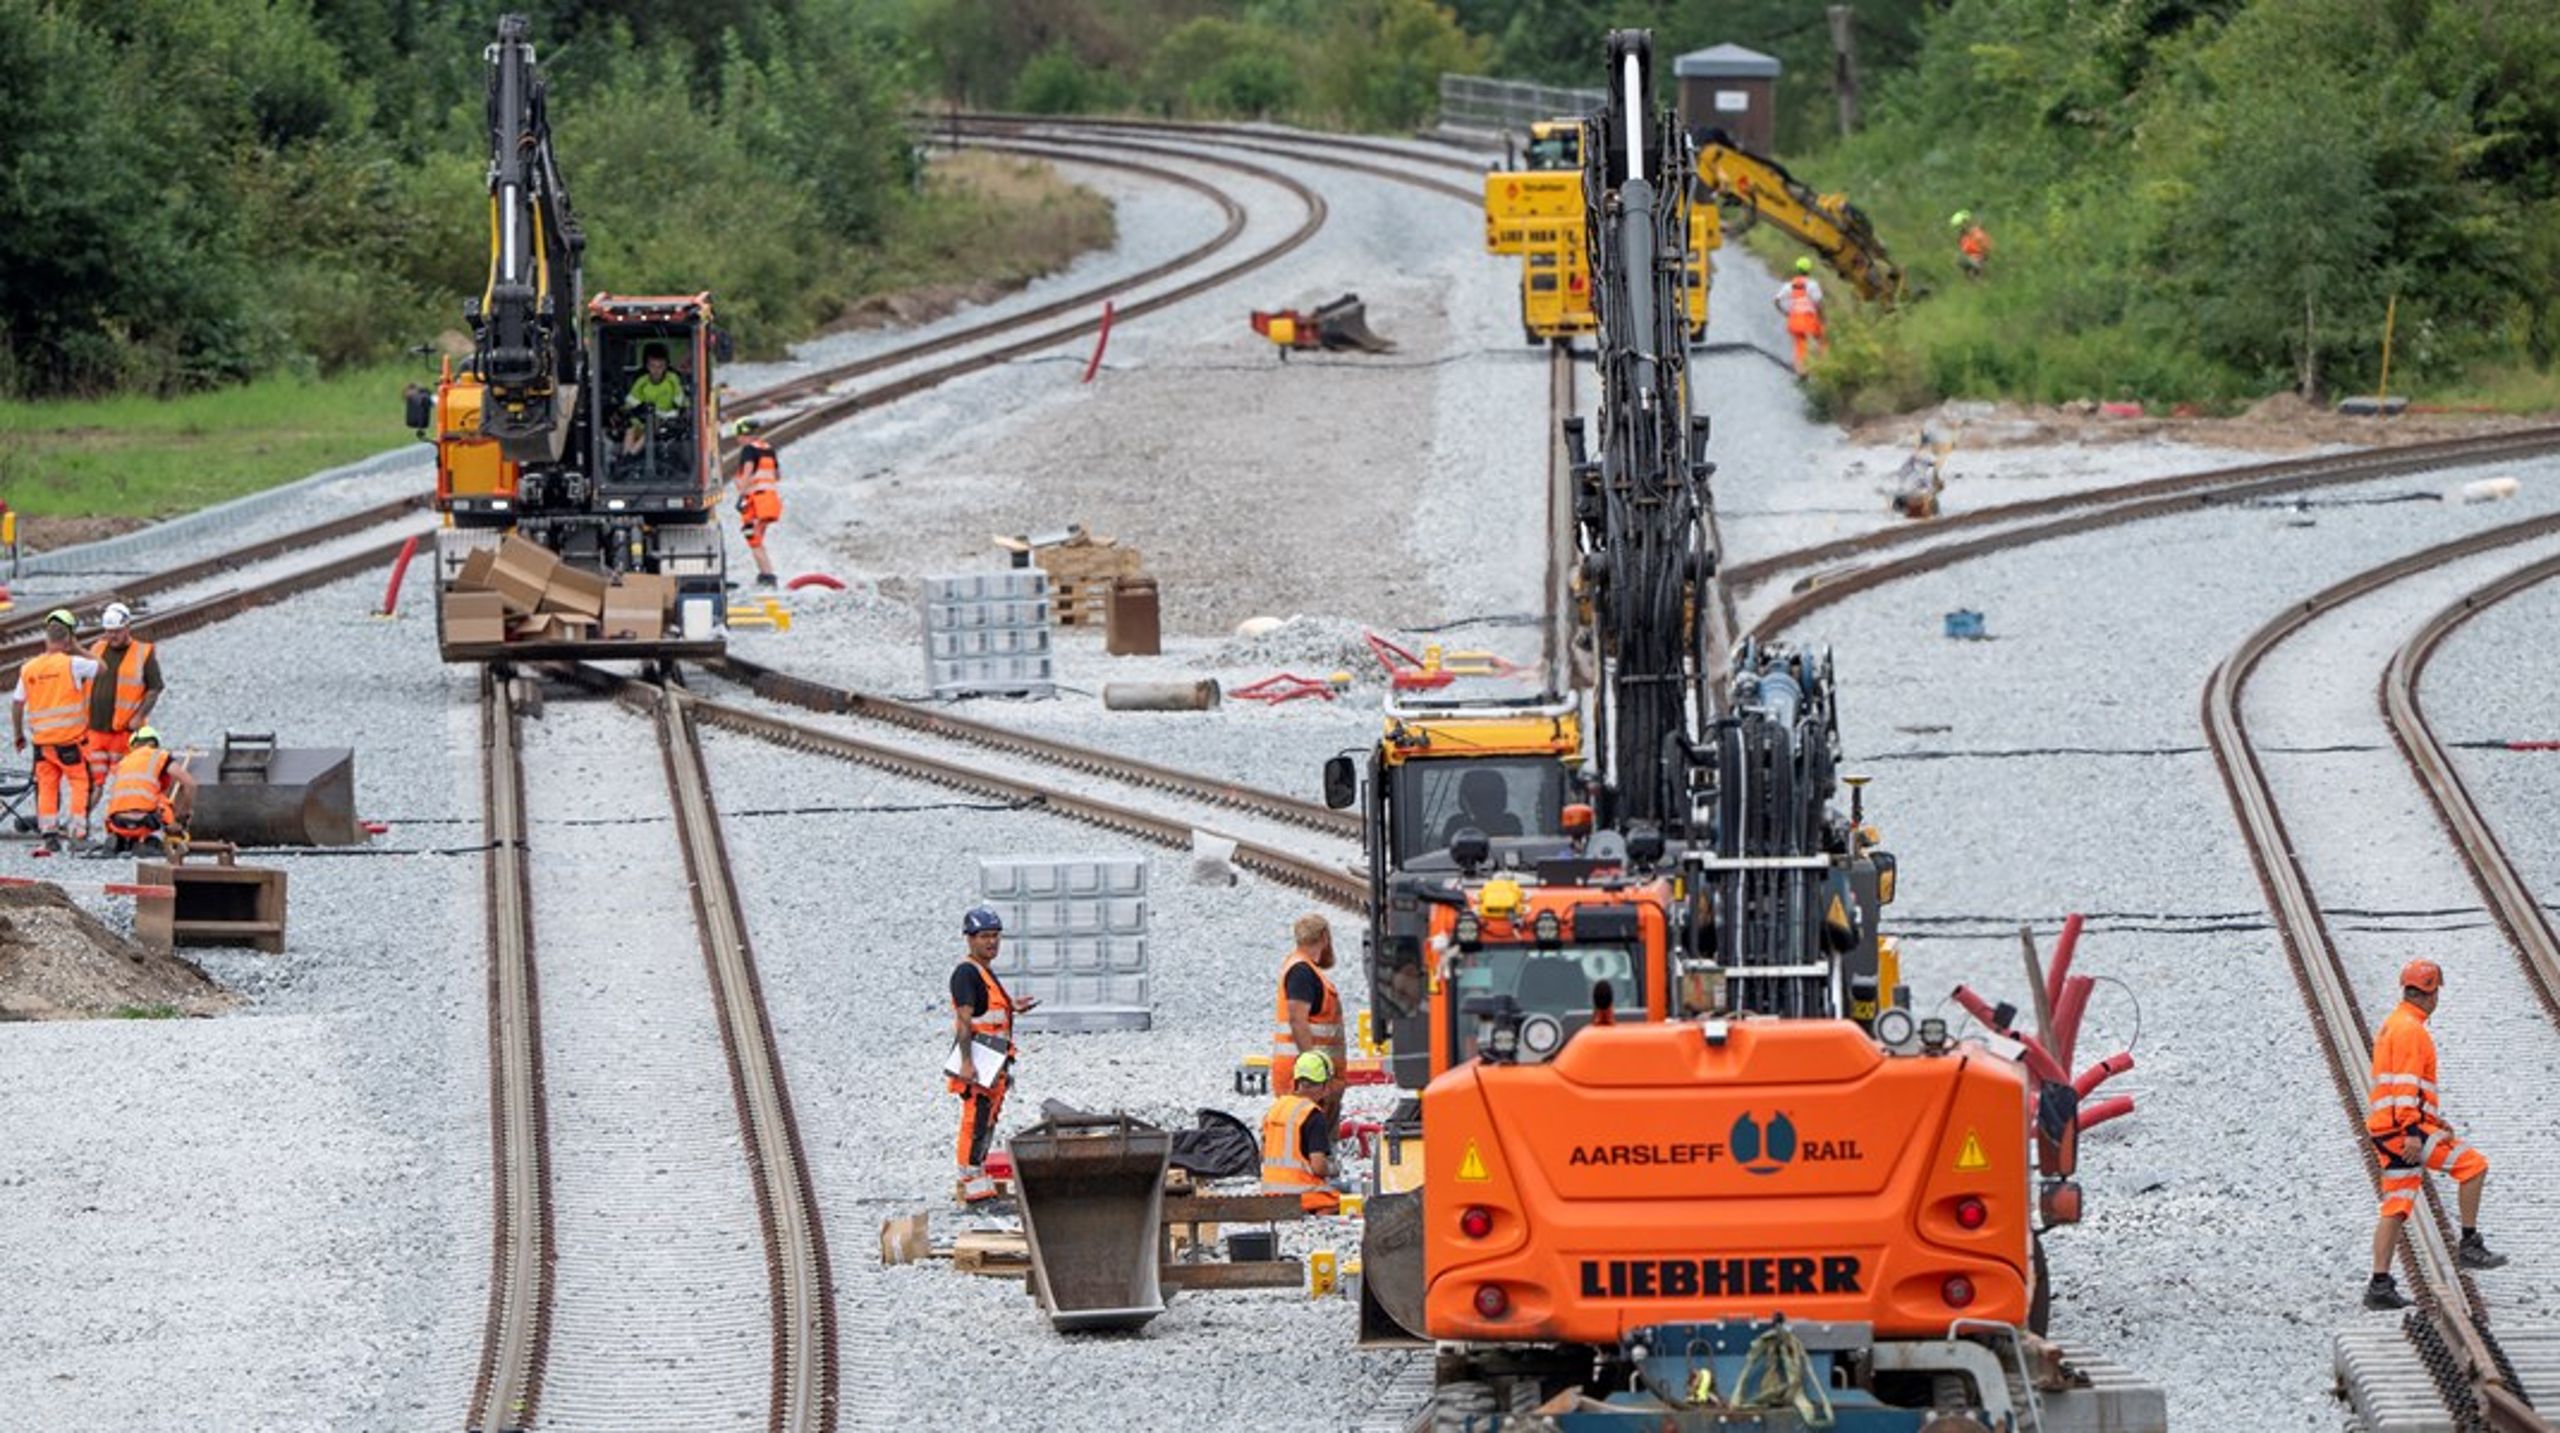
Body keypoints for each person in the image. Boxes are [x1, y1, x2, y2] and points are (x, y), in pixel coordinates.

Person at [2364, 959, 2506, 1310]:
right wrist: (2414, 1131)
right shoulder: (2412, 1030)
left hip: (2388, 1129)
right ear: (2431, 992)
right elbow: (2406, 1087)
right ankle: (2469, 1244)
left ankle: (2378, 1285)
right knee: (2473, 1166)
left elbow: (2401, 1087)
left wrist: (2433, 1122)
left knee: (2396, 1205)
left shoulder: (2394, 1024)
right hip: (2403, 1131)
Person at [949, 904, 1038, 1203]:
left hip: (994, 1061)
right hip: (979, 1060)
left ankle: (977, 1177)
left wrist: (1013, 1007)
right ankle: (969, 1184)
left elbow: (989, 1011)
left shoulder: (984, 972)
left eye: (996, 936)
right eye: (985, 936)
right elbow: (963, 1020)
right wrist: (966, 1062)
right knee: (975, 1120)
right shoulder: (966, 973)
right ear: (970, 939)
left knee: (987, 1120)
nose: (992, 942)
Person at [12, 611, 101, 852]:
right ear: (67, 640)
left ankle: (49, 835)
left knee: (47, 787)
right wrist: (79, 648)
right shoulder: (73, 663)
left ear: (46, 639)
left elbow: (17, 703)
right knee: (80, 783)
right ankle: (78, 835)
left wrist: (19, 734)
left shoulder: (29, 668)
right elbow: (102, 668)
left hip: (42, 744)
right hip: (70, 742)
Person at [82, 602, 162, 807]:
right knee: (92, 784)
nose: (112, 637)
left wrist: (138, 716)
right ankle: (79, 828)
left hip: (124, 733)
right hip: (96, 732)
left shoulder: (143, 652)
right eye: (108, 632)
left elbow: (155, 687)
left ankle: (123, 825)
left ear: (127, 627)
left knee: (125, 782)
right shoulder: (97, 648)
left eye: (116, 632)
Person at [1275, 913, 1348, 1123]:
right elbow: (1297, 1019)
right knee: (1309, 1138)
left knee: (1311, 1139)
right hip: (1308, 1080)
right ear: (1325, 937)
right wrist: (1315, 1070)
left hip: (1310, 1077)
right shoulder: (1301, 972)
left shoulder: (1303, 969)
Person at [1261, 1050, 1344, 1214]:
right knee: (1340, 1201)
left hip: (1269, 1193)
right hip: (1299, 1195)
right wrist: (1333, 1168)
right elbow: (1318, 1167)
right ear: (1324, 1086)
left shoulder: (1277, 1108)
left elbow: (1263, 1153)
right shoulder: (1313, 1115)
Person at [97, 726, 194, 856]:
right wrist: (182, 816)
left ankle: (120, 840)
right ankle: (152, 840)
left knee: (121, 800)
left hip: (116, 823)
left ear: (133, 745)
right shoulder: (159, 756)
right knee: (161, 800)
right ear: (154, 743)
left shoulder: (123, 762)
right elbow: (190, 784)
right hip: (144, 823)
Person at [733, 421, 784, 591]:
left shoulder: (749, 450)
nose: (738, 440)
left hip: (756, 501)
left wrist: (741, 496)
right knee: (758, 538)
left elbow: (747, 472)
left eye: (738, 437)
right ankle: (765, 573)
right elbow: (777, 474)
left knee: (753, 538)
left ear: (743, 435)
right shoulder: (768, 448)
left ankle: (768, 576)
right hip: (770, 500)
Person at [622, 344, 688, 457]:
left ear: (666, 366)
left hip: (666, 418)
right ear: (647, 366)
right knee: (631, 428)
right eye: (652, 366)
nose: (656, 370)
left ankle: (631, 456)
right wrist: (627, 410)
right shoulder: (642, 382)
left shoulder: (672, 380)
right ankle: (625, 456)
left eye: (660, 366)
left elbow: (681, 402)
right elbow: (630, 403)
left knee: (652, 425)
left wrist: (683, 409)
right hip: (644, 418)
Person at [1772, 256, 1828, 375]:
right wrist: (1823, 318)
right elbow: (1818, 303)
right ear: (1809, 270)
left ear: (1797, 269)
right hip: (1808, 319)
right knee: (1821, 337)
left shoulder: (1789, 285)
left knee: (1800, 345)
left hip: (1794, 320)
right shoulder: (1812, 285)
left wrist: (1785, 312)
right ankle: (1824, 365)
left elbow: (1776, 300)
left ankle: (1801, 371)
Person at [1441, 767, 1524, 846]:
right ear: (1502, 797)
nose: (1482, 801)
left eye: (1488, 795)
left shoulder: (1455, 826)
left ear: (1463, 798)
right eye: (1476, 796)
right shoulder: (1510, 823)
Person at [1951, 211, 1991, 279]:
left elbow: (1986, 248)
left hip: (1979, 259)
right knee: (1960, 259)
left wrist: (1982, 257)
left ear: (1965, 223)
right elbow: (1964, 250)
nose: (1959, 229)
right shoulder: (1963, 237)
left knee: (1960, 259)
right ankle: (1972, 278)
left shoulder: (1976, 233)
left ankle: (1977, 274)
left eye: (1960, 226)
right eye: (1957, 227)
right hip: (1972, 258)